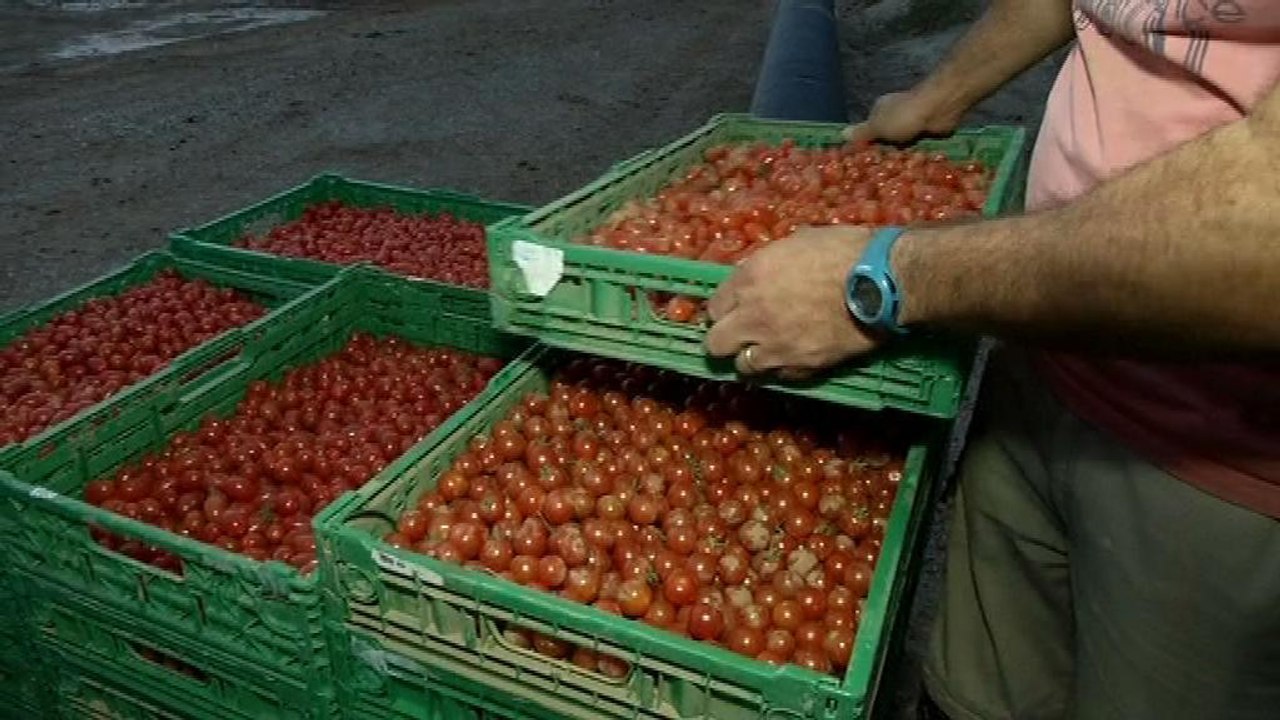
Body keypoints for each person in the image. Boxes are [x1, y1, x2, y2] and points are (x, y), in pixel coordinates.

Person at [704, 1, 1280, 718]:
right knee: (969, 695)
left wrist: (888, 281)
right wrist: (938, 95)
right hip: (1037, 352)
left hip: (1216, 464)